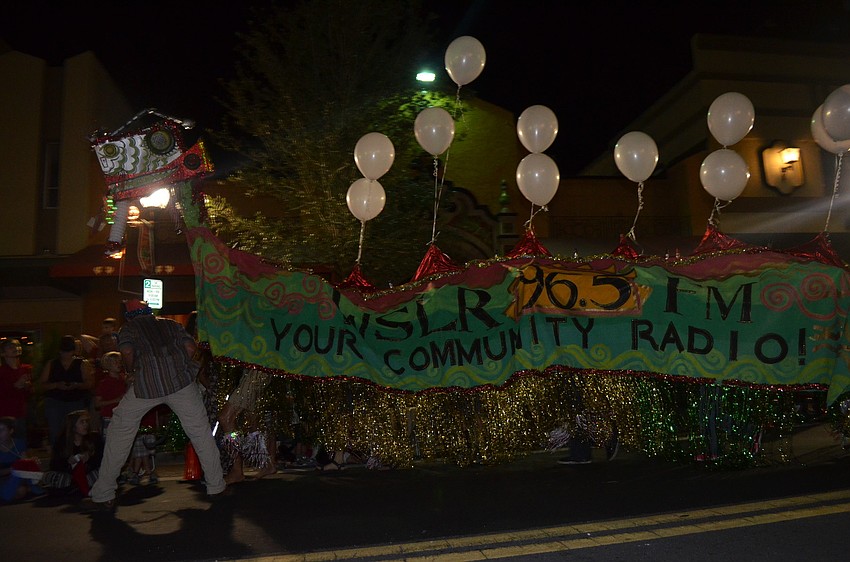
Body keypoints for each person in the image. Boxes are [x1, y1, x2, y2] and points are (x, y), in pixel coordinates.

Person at [89, 300, 225, 511]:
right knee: (200, 433)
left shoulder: (129, 328)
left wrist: (132, 371)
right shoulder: (170, 324)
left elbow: (126, 353)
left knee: (121, 430)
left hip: (146, 385)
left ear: (128, 316)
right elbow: (190, 347)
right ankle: (216, 486)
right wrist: (182, 368)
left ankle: (104, 493)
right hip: (181, 383)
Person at [217, 367, 277, 483]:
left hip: (257, 369)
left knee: (226, 417)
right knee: (254, 418)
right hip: (257, 368)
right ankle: (268, 463)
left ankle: (237, 469)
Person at [40, 336, 95, 447]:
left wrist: (76, 385)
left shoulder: (81, 363)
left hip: (75, 401)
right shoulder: (52, 364)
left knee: (77, 430)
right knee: (56, 430)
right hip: (55, 401)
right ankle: (58, 455)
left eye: (69, 351)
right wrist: (56, 385)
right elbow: (41, 384)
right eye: (65, 351)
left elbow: (89, 383)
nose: (67, 354)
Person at [40, 409, 103, 497]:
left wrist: (89, 458)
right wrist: (68, 462)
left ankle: (74, 487)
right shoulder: (62, 441)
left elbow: (101, 459)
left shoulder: (94, 438)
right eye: (82, 422)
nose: (85, 424)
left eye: (86, 421)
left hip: (88, 473)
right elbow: (54, 465)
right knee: (48, 476)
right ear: (73, 426)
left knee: (102, 472)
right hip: (70, 476)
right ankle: (77, 486)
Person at [0, 416, 43, 501]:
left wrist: (32, 462)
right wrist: (12, 469)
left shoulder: (19, 444)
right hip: (3, 479)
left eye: (2, 430)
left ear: (11, 431)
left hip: (18, 478)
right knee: (20, 490)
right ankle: (31, 488)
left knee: (21, 489)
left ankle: (31, 487)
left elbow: (25, 466)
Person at [0, 338, 33, 442]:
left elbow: (30, 393)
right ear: (3, 353)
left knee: (20, 441)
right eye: (10, 347)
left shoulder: (26, 368)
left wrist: (27, 387)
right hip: (4, 412)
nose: (15, 348)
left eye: (17, 346)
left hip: (20, 411)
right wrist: (15, 385)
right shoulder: (2, 371)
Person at [94, 351, 127, 438]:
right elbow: (97, 403)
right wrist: (115, 400)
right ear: (108, 365)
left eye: (119, 361)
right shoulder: (104, 383)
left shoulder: (124, 380)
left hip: (124, 416)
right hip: (109, 416)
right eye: (115, 362)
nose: (118, 364)